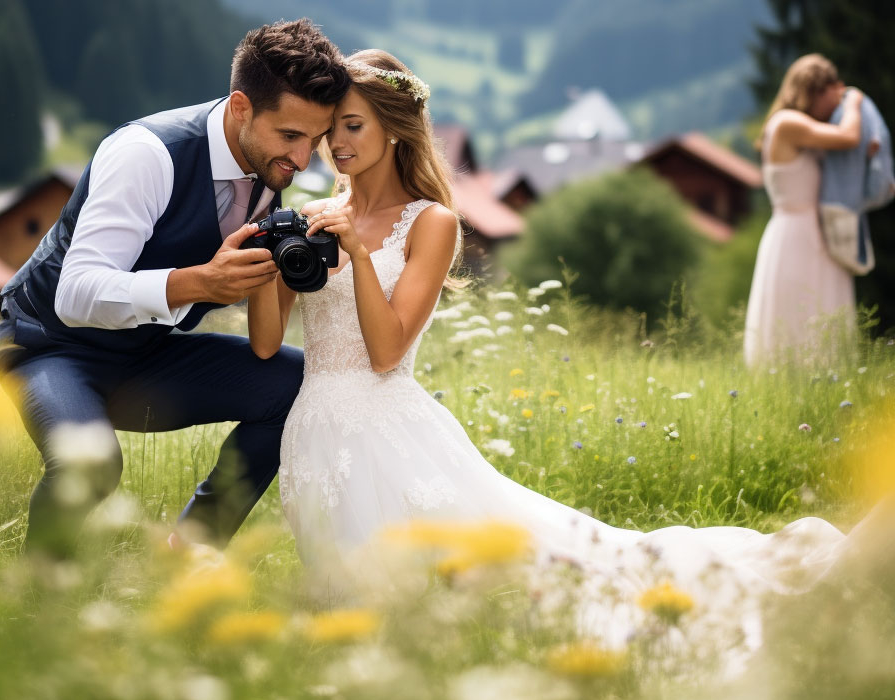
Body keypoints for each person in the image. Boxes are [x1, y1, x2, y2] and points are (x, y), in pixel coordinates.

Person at [247, 49, 889, 655]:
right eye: (331, 128)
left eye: (353, 125)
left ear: (394, 128)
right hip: (314, 434)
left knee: (501, 586)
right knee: (350, 606)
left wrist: (359, 256)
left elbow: (387, 351)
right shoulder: (312, 217)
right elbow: (268, 341)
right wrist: (257, 262)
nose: (336, 143)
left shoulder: (430, 222)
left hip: (391, 435)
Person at [0, 19, 350, 558]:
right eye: (290, 136)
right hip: (51, 347)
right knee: (90, 465)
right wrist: (200, 281)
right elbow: (75, 294)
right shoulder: (147, 153)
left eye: (315, 140)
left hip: (146, 357)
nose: (302, 160)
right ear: (241, 107)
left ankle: (188, 555)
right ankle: (35, 590)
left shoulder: (265, 174)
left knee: (299, 384)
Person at [744, 54, 867, 367]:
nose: (837, 100)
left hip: (811, 232)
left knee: (820, 312)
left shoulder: (797, 127)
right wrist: (855, 103)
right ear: (815, 90)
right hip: (797, 236)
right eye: (833, 92)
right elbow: (848, 137)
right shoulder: (788, 123)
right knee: (801, 313)